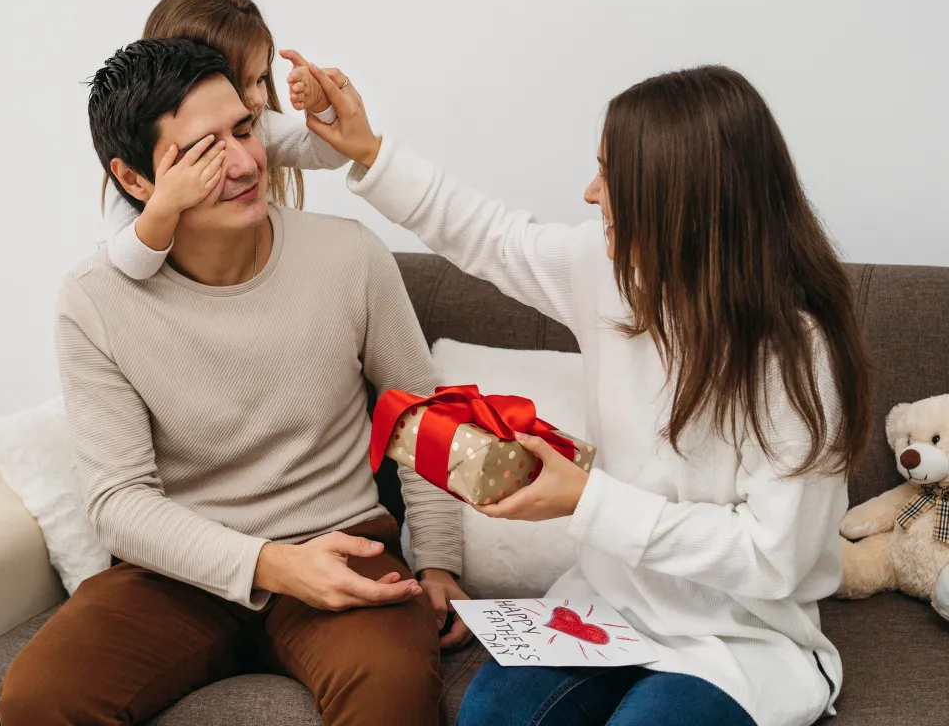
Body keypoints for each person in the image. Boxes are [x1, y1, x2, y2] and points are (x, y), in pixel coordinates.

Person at [296, 61, 873, 726]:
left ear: (677, 199)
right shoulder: (608, 272)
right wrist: (370, 151)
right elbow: (489, 236)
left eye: (610, 175)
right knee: (490, 715)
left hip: (738, 636)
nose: (591, 194)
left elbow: (774, 557)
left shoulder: (797, 353)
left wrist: (587, 500)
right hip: (607, 606)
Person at [0, 39, 469, 726]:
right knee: (39, 696)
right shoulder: (94, 298)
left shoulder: (349, 256)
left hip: (342, 544)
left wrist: (440, 564)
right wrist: (270, 564)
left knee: (390, 686)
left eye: (244, 131)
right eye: (203, 152)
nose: (245, 164)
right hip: (177, 572)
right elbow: (119, 499)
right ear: (134, 180)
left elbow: (420, 414)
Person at [104, 0, 350, 281]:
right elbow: (132, 263)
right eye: (238, 81)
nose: (256, 99)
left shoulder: (261, 125)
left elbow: (334, 151)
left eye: (260, 79)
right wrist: (163, 205)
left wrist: (323, 106)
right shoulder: (141, 164)